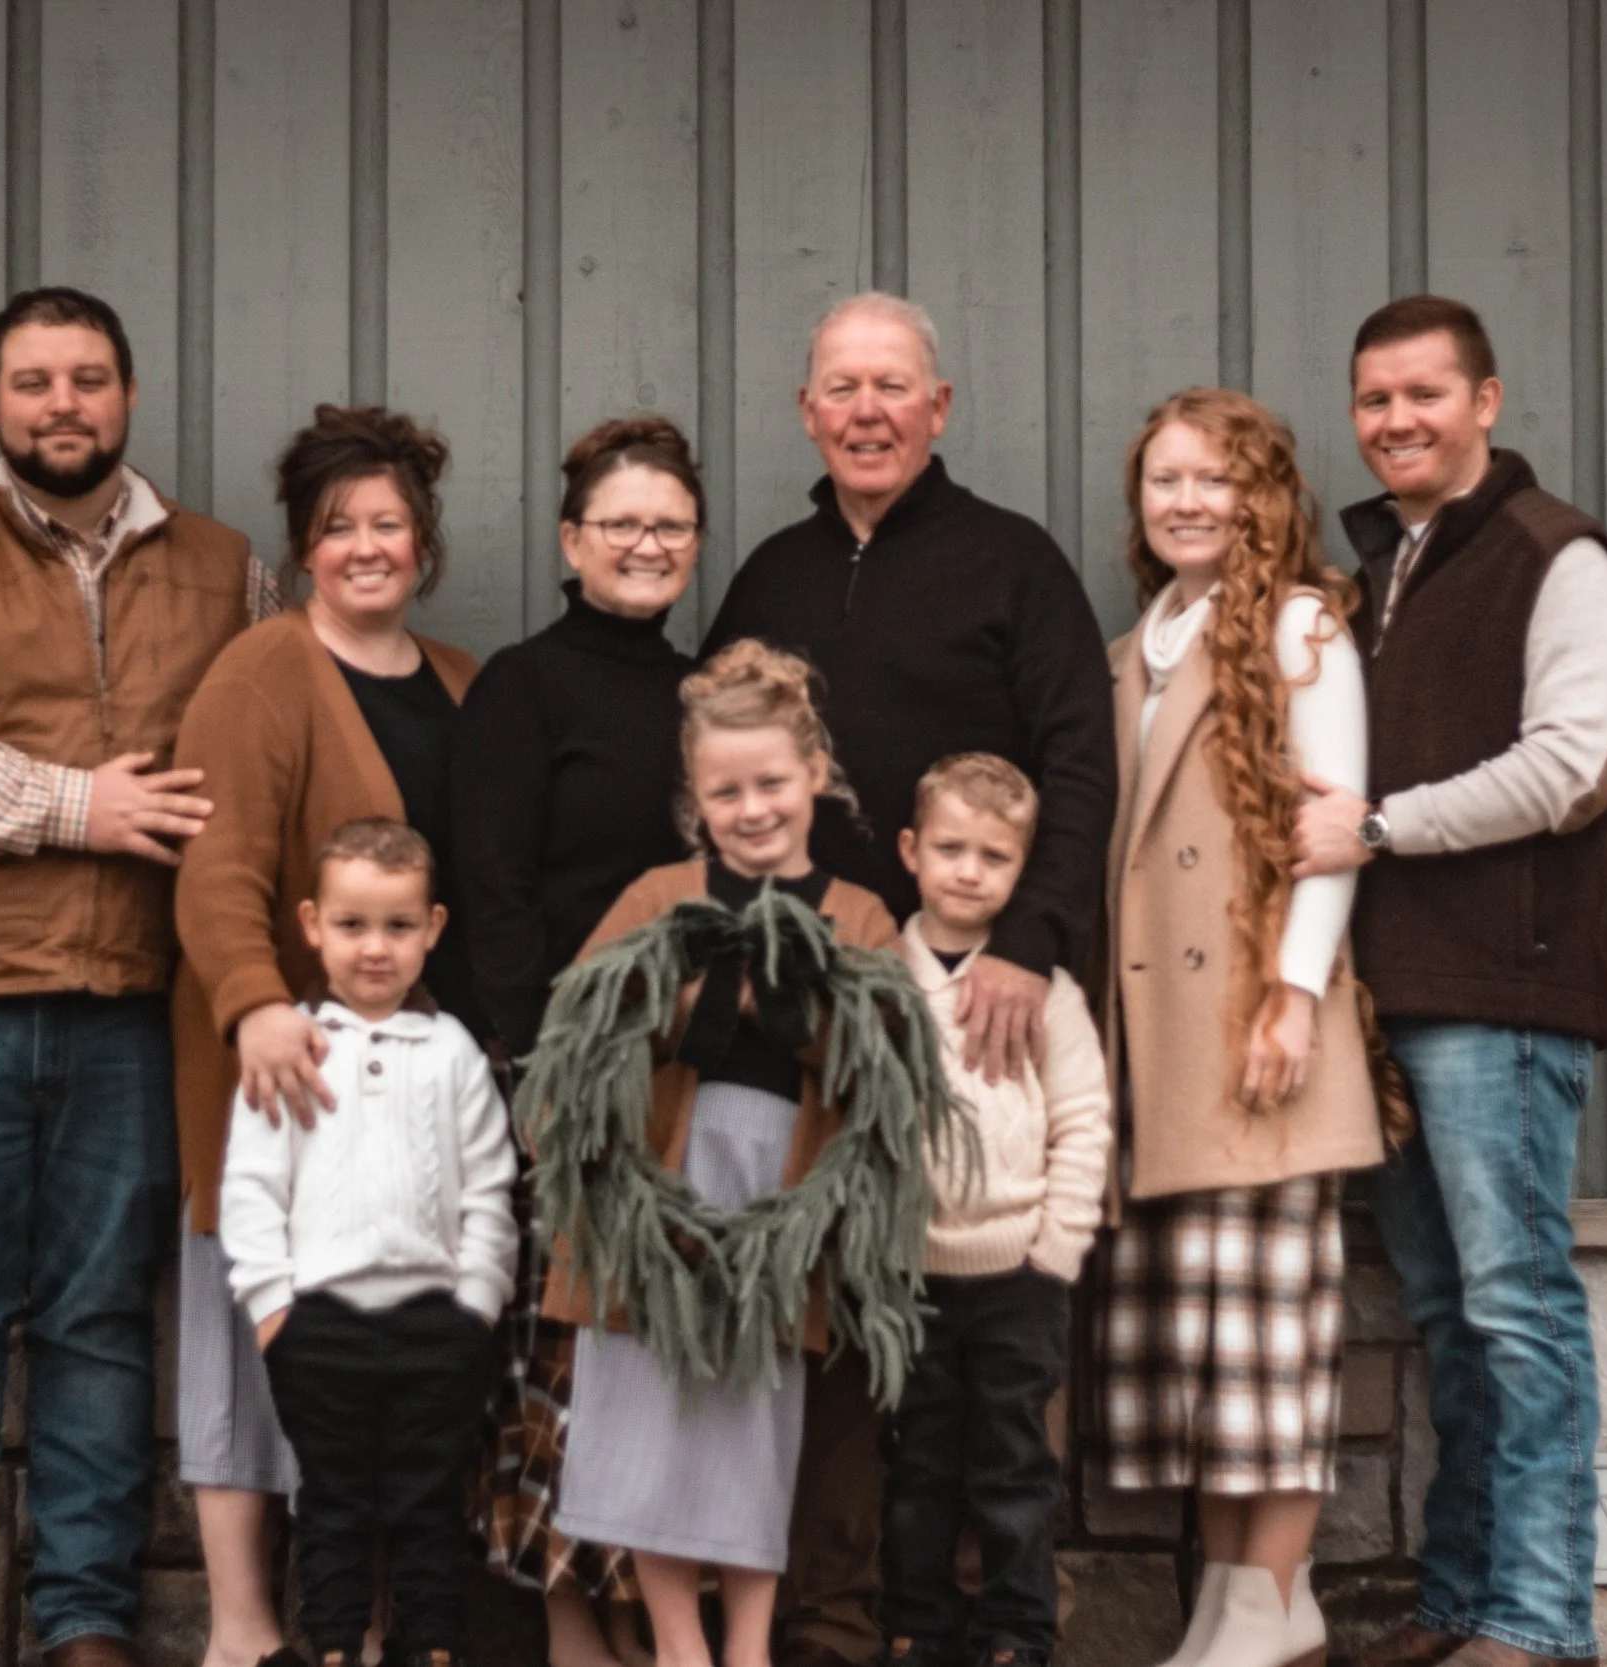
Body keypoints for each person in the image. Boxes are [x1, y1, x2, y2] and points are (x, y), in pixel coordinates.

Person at [0, 286, 277, 1667]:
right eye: (33, 382)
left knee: (98, 1314)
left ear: (127, 396)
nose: (61, 404)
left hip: (134, 1001)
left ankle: (86, 1617)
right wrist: (75, 805)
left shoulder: (225, 566)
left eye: (87, 379)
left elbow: (266, 742)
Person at [700, 292, 1115, 1667]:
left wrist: (1030, 943)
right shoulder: (769, 574)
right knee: (840, 1327)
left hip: (976, 989)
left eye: (893, 386)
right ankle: (842, 1613)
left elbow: (1077, 764)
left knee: (990, 1365)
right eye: (841, 387)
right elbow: (726, 774)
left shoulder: (1013, 563)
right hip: (809, 993)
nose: (866, 410)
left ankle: (1000, 1621)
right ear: (807, 412)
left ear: (939, 407)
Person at [1294, 298, 1607, 1667]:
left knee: (1516, 1301)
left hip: (1506, 993)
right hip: (1398, 997)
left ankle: (1542, 1621)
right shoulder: (1382, 573)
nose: (1396, 421)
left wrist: (1378, 825)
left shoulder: (1558, 555)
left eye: (1425, 393)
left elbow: (1572, 766)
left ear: (1487, 400)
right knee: (1447, 1310)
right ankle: (1462, 1602)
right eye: (1375, 399)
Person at [520, 641, 949, 1667]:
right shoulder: (656, 895)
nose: (752, 808)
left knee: (750, 1432)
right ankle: (679, 1644)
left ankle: (746, 1643)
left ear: (816, 775)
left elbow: (887, 1062)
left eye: (771, 783)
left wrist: (781, 997)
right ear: (694, 799)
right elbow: (582, 1037)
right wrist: (713, 997)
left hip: (779, 1207)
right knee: (651, 1426)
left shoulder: (861, 915)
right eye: (725, 791)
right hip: (656, 1198)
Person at [171, 406, 484, 1667]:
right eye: (339, 526)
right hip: (280, 1071)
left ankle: (378, 1626)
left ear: (424, 543)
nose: (367, 546)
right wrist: (253, 1002)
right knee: (253, 1335)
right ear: (305, 549)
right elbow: (216, 861)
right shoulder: (262, 671)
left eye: (389, 523)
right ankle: (247, 1628)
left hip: (414, 1092)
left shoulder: (466, 682)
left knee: (397, 1388)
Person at [1100, 389, 1402, 1667]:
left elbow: (1332, 826)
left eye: (1212, 480)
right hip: (1159, 1036)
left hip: (1251, 1017)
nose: (1184, 501)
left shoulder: (1296, 625)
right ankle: (1242, 1600)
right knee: (1204, 1340)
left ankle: (1273, 1593)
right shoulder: (1141, 642)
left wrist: (1292, 988)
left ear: (1259, 494)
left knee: (1268, 1326)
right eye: (1164, 479)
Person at [455, 417, 710, 1666]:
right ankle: (569, 1618)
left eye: (669, 524)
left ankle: (645, 1612)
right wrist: (527, 1061)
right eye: (623, 524)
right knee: (558, 1354)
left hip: (690, 1076)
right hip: (564, 1070)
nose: (647, 543)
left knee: (653, 1354)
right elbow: (492, 884)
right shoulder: (526, 683)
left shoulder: (709, 690)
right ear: (572, 541)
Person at [221, 818, 520, 1667]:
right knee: (335, 1501)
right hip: (320, 1325)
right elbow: (251, 1188)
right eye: (352, 926)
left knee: (430, 1502)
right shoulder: (292, 1047)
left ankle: (428, 1647)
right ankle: (335, 1647)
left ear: (433, 929)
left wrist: (477, 1305)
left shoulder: (452, 1049)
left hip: (437, 1324)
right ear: (313, 923)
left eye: (398, 926)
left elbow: (490, 1188)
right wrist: (275, 1307)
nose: (375, 949)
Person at [879, 754, 1112, 1667]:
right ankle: (916, 1627)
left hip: (1018, 1275)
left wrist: (1055, 1248)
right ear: (910, 849)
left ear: (1023, 870)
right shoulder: (880, 978)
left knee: (1014, 1469)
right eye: (949, 848)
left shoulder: (1046, 992)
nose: (968, 870)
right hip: (911, 1274)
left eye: (993, 855)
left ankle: (1018, 1634)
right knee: (919, 1465)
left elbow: (1084, 1123)